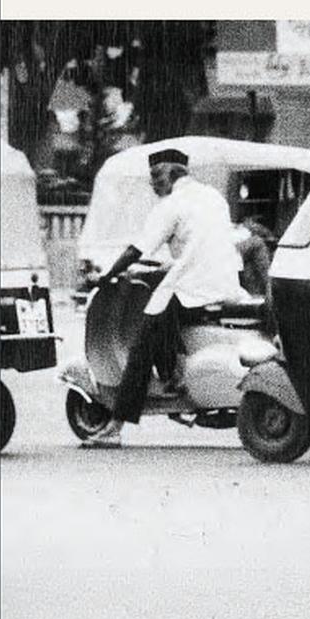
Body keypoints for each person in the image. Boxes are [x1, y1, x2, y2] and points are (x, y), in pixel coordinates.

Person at [82, 147, 244, 447]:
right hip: (225, 284)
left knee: (142, 343)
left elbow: (137, 250)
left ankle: (115, 426)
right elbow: (201, 242)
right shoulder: (214, 198)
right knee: (162, 310)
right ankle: (172, 376)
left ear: (174, 173)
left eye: (157, 175)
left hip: (192, 288)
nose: (153, 183)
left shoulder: (172, 205)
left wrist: (105, 277)